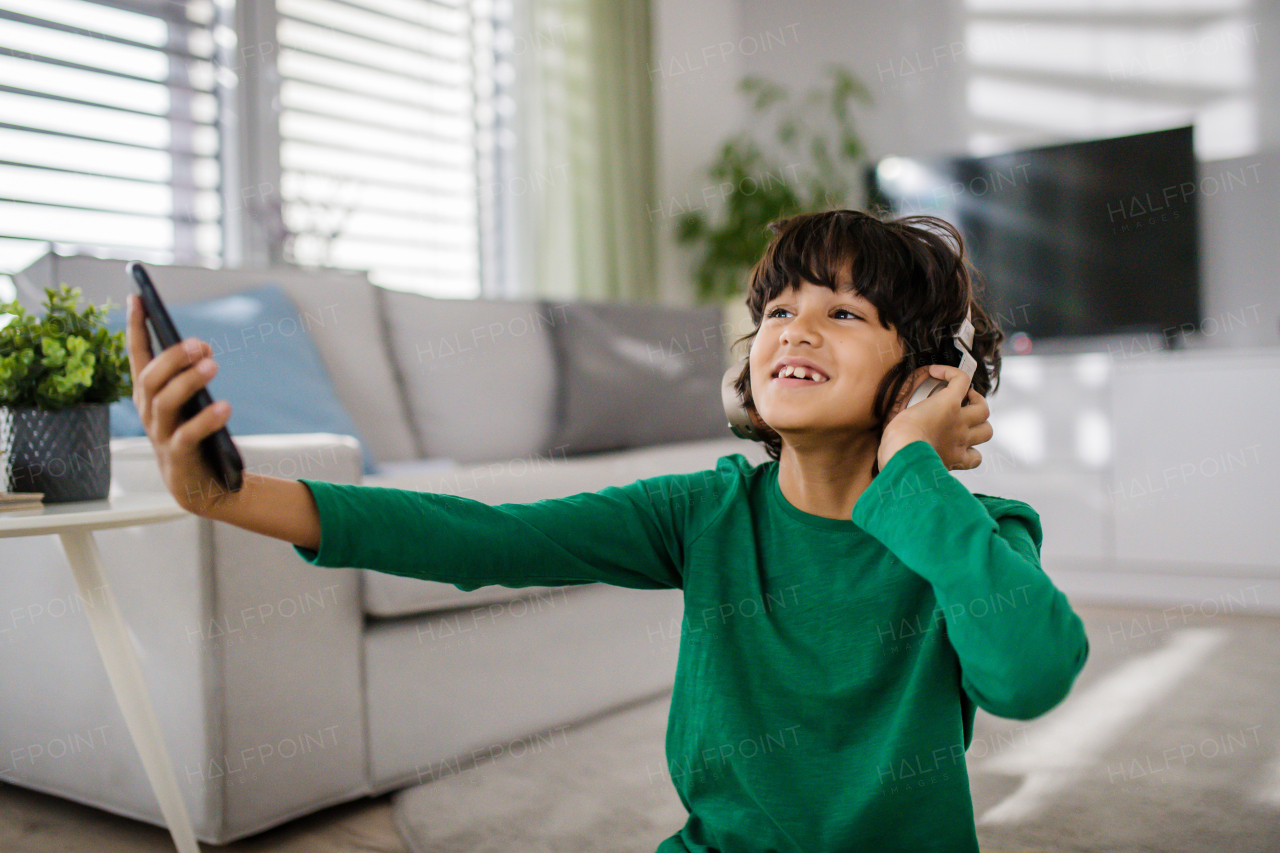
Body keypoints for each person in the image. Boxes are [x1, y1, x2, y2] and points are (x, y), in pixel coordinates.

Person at [126, 208, 1090, 852]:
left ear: (927, 378)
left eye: (843, 312)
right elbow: (486, 537)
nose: (794, 329)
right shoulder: (705, 512)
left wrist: (912, 470)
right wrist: (232, 495)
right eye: (780, 311)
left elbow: (1032, 671)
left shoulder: (969, 529)